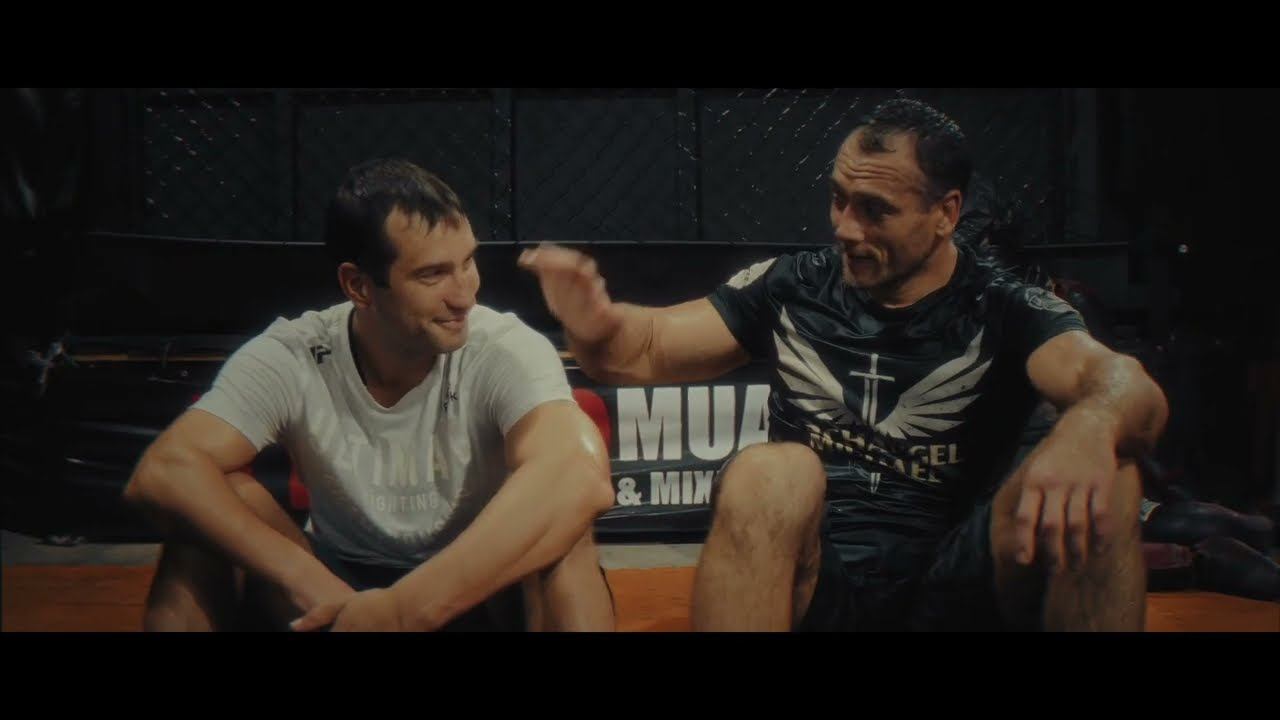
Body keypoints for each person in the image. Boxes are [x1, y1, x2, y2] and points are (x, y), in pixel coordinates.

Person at [519, 98, 1169, 631]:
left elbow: (1122, 384)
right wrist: (596, 324)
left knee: (1110, 471)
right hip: (821, 585)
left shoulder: (1004, 307)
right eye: (839, 199)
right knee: (770, 471)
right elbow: (642, 349)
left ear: (946, 213)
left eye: (875, 210)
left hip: (963, 585)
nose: (846, 228)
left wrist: (1089, 429)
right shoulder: (793, 286)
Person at [125, 158, 616, 631]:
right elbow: (163, 471)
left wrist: (401, 613)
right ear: (358, 285)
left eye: (467, 262)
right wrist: (308, 582)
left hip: (473, 589)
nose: (464, 294)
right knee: (205, 511)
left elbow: (578, 477)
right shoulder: (294, 353)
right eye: (433, 274)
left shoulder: (504, 348)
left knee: (563, 528)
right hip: (337, 594)